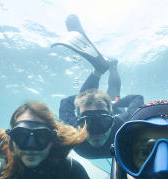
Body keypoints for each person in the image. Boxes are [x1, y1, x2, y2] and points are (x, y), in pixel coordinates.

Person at [54, 14, 144, 159]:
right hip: (111, 106)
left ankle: (103, 69)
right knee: (112, 93)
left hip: (112, 106)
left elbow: (65, 102)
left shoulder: (73, 131)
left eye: (102, 122)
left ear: (112, 117)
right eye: (87, 123)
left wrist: (113, 103)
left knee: (94, 100)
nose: (95, 132)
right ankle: (110, 66)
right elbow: (138, 98)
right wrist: (112, 103)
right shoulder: (123, 123)